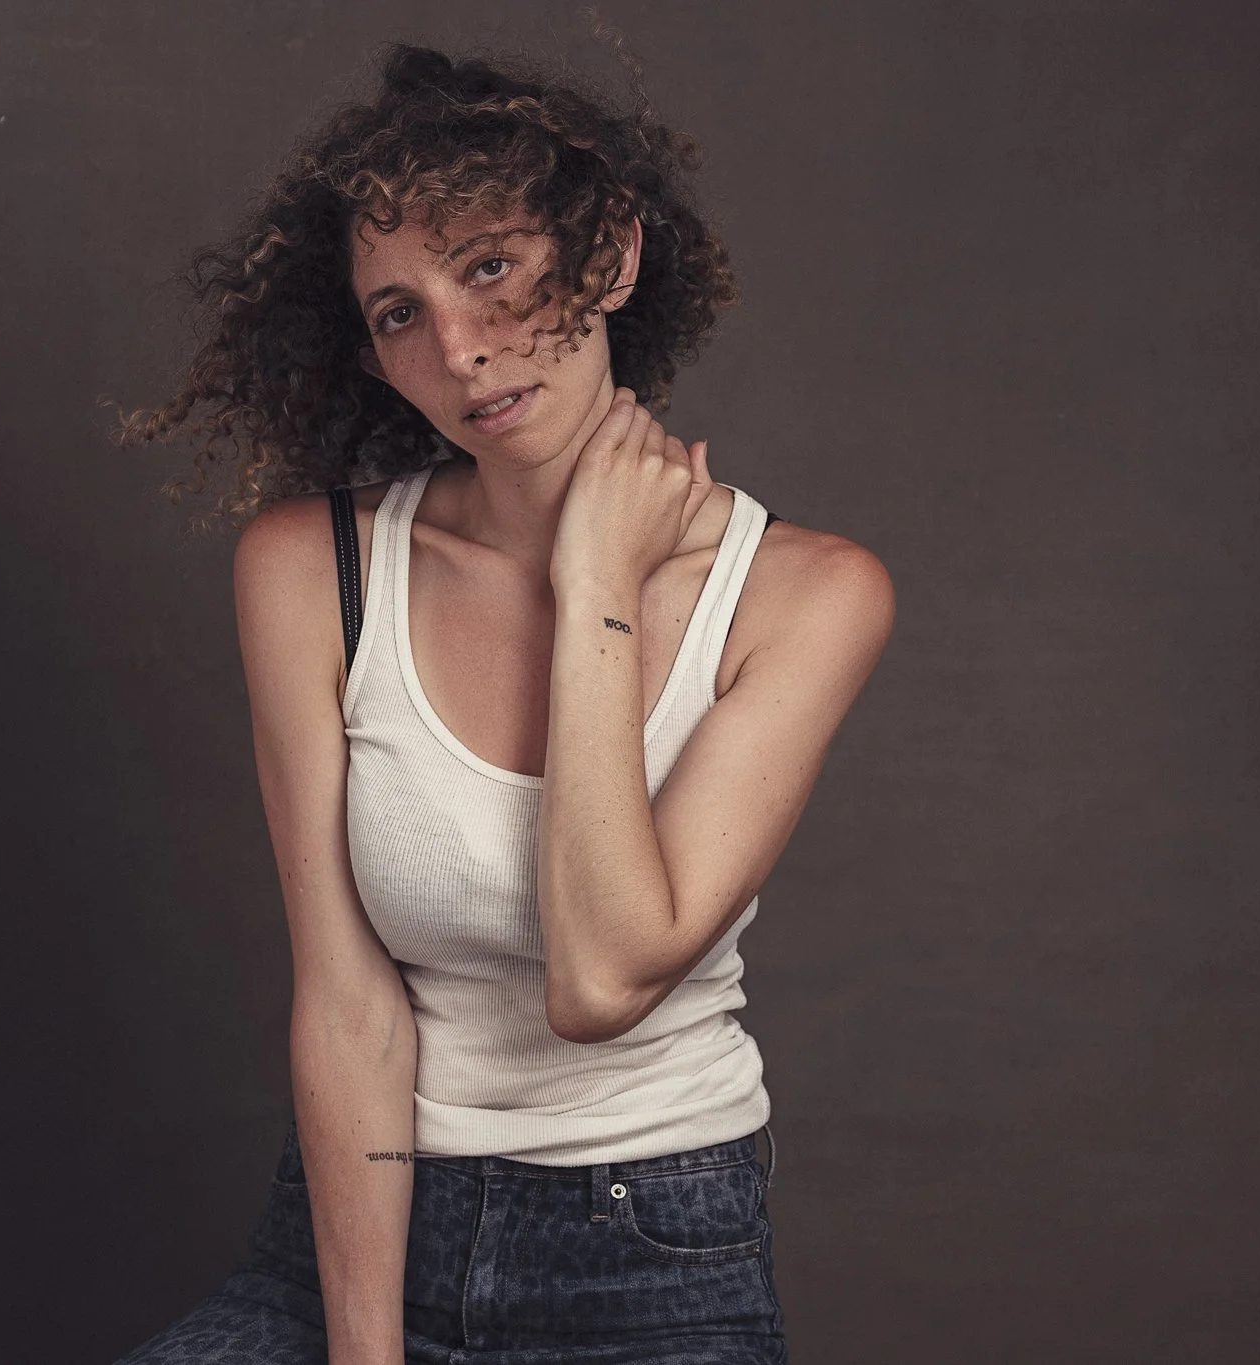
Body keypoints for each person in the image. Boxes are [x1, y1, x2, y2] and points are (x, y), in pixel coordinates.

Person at [113, 41, 894, 1365]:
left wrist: (594, 576)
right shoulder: (314, 571)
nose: (462, 348)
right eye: (399, 311)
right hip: (361, 1224)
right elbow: (347, 1003)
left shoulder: (808, 595)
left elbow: (601, 976)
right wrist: (369, 1355)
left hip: (653, 1255)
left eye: (489, 266)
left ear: (613, 256)